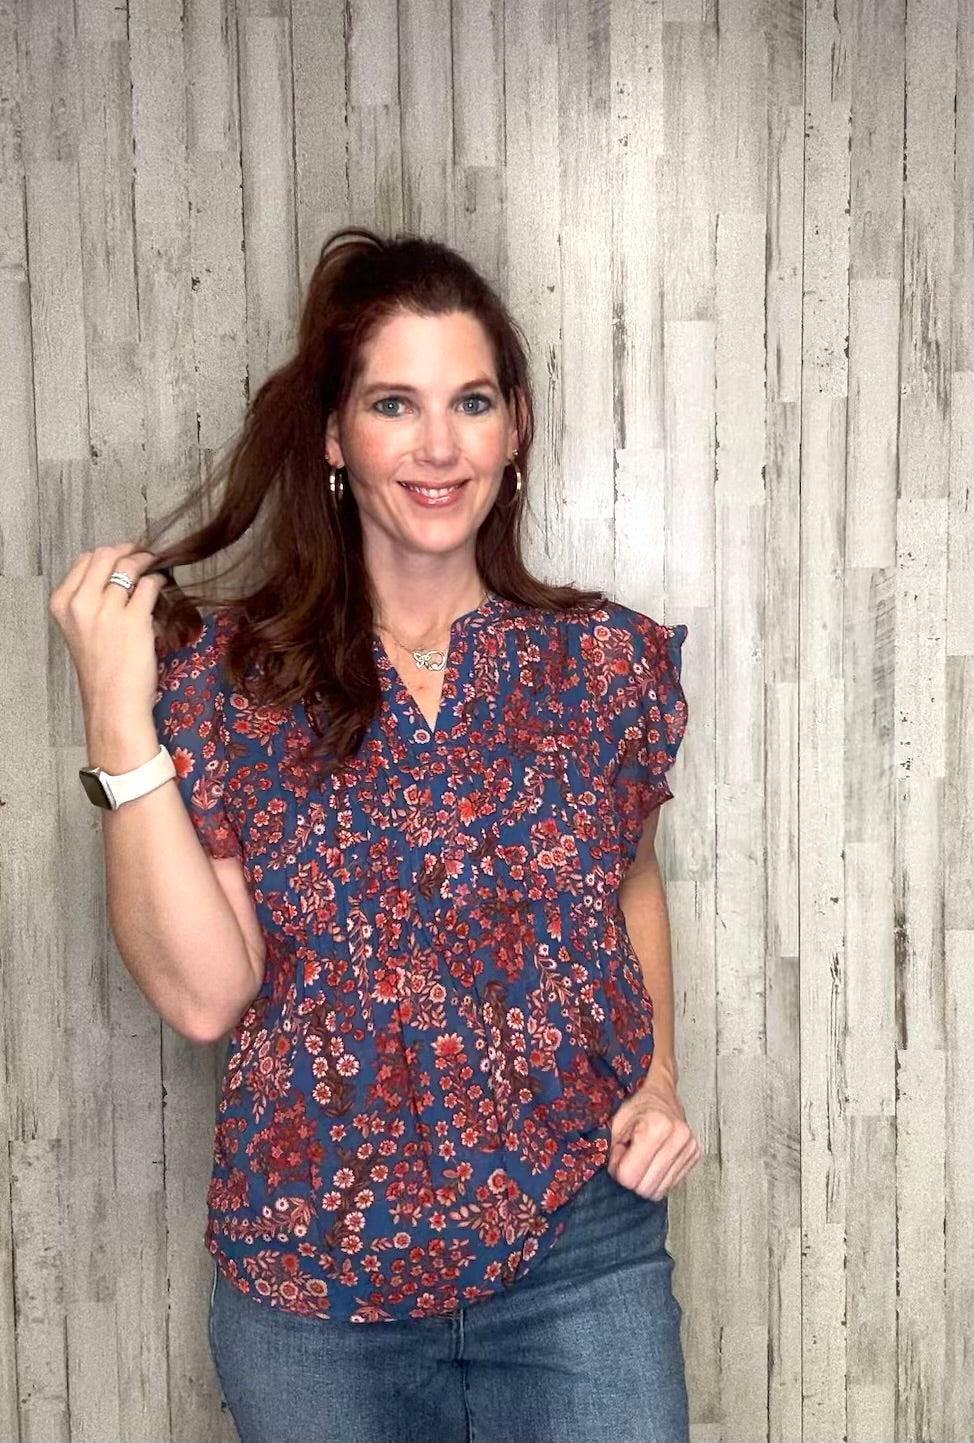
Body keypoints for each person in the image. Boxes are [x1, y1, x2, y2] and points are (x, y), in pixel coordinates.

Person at [50, 227, 699, 1443]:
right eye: (394, 403)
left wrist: (656, 1076)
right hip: (314, 1287)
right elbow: (204, 996)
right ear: (335, 439)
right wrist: (116, 717)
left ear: (513, 430)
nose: (438, 446)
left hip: (576, 1247)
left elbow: (628, 883)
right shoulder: (237, 685)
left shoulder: (600, 665)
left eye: (471, 402)